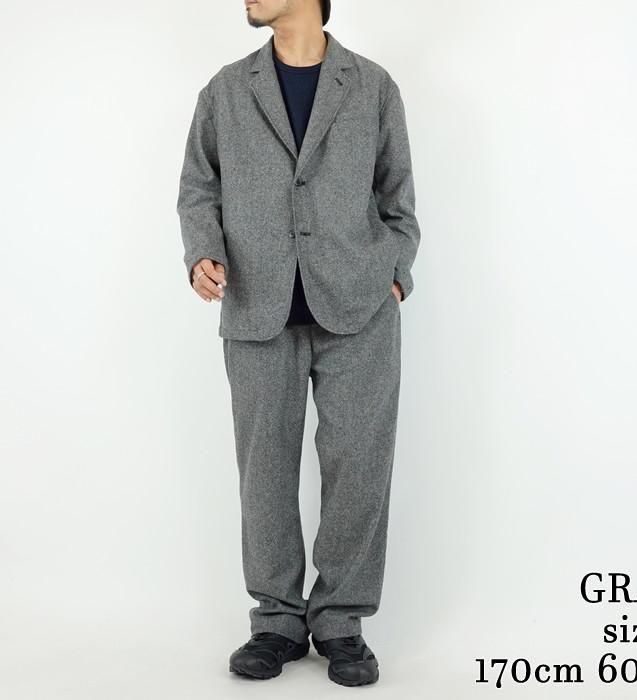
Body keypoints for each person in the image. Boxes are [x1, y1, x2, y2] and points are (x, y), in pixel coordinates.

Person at [176, 0, 420, 687]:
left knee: (359, 467)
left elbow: (399, 198)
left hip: (360, 310)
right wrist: (202, 253)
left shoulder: (373, 87)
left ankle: (341, 620)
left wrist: (394, 277)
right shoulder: (225, 91)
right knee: (264, 471)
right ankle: (277, 621)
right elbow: (198, 188)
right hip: (257, 306)